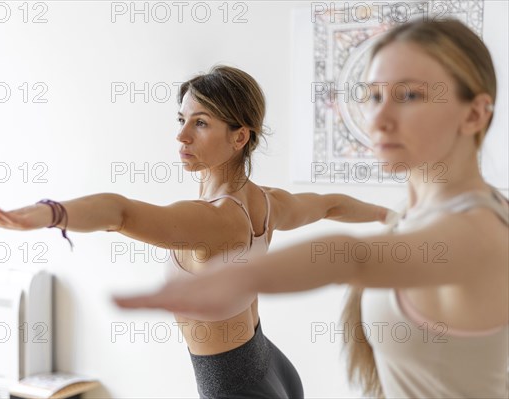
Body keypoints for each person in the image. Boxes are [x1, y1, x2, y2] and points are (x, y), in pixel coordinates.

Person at [114, 20, 509, 399]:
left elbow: (352, 257)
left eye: (409, 95)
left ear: (474, 114)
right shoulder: (421, 214)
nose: (379, 118)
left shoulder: (477, 230)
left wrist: (237, 277)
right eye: (373, 96)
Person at [0, 65, 392, 398]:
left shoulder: (215, 220)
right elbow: (331, 203)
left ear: (240, 136)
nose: (181, 135)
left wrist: (48, 214)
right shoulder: (267, 202)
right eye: (182, 119)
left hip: (234, 389)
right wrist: (386, 215)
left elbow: (120, 212)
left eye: (200, 123)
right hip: (273, 368)